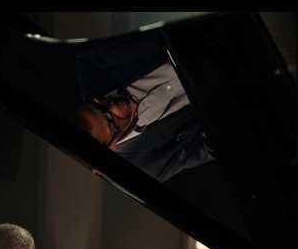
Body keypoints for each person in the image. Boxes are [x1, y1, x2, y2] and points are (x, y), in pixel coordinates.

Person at [74, 33, 214, 182]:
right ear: (111, 147)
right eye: (111, 121)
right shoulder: (145, 166)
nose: (112, 105)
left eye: (97, 104)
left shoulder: (93, 64)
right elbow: (207, 149)